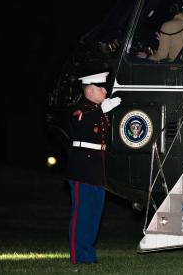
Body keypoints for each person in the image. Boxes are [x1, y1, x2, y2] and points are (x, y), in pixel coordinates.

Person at [66, 71, 121, 264]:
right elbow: (81, 124)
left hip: (97, 169)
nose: (106, 90)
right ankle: (78, 255)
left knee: (93, 216)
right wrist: (102, 110)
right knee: (81, 214)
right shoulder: (81, 110)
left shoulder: (100, 111)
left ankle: (88, 255)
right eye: (101, 87)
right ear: (90, 89)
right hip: (83, 169)